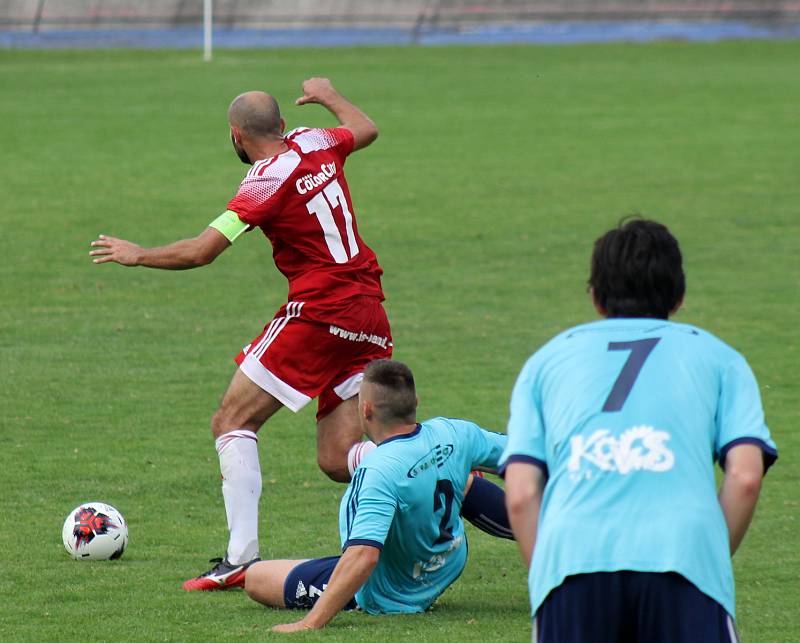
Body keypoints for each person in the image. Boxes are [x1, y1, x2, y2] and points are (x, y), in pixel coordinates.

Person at [89, 78, 394, 589]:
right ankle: (433, 466)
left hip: (320, 311)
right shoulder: (316, 140)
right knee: (339, 460)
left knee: (232, 419)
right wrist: (328, 93)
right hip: (368, 311)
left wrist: (137, 253)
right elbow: (364, 128)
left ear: (237, 135)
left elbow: (202, 250)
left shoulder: (263, 183)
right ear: (281, 124)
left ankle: (239, 560)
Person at [501, 218, 777, 642]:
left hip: (573, 562)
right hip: (684, 560)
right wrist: (706, 556)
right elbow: (744, 476)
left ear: (594, 296)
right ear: (679, 295)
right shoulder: (723, 360)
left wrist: (550, 573)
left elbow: (520, 495)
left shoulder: (545, 363)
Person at [243, 359, 513, 632]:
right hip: (446, 566)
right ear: (415, 401)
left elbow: (364, 556)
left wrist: (309, 623)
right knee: (456, 479)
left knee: (256, 577)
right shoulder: (454, 432)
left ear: (366, 409)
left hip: (392, 592)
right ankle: (544, 532)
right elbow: (519, 454)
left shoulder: (378, 470)